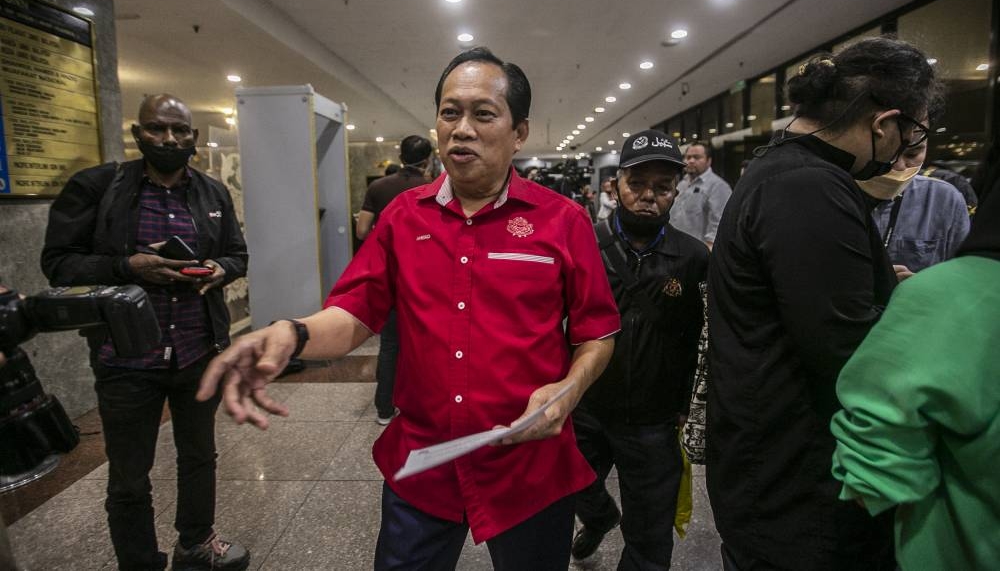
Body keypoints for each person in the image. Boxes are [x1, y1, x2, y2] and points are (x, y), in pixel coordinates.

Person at [196, 47, 620, 570]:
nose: (461, 128)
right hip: (424, 464)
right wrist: (292, 332)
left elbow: (596, 332)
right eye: (450, 111)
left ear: (519, 133)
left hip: (527, 464)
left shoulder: (562, 221)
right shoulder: (402, 217)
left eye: (483, 114)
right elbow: (353, 314)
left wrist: (569, 391)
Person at [706, 38, 943, 570]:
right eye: (911, 136)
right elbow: (847, 346)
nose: (905, 154)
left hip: (770, 469)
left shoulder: (777, 168)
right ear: (884, 124)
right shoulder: (810, 184)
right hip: (798, 482)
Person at [40, 94, 250, 571]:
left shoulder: (211, 193)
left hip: (197, 349)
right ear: (138, 134)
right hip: (126, 356)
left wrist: (219, 268)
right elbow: (58, 264)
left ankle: (196, 544)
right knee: (129, 475)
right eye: (157, 129)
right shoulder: (98, 188)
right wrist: (126, 267)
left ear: (194, 138)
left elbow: (238, 254)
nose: (169, 139)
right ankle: (138, 561)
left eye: (180, 131)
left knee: (199, 456)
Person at [831, 141, 1000, 570]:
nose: (901, 165)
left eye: (916, 153)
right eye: (895, 152)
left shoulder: (944, 209)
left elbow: (873, 478)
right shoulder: (831, 198)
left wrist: (917, 290)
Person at [571, 130, 709, 569]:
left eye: (662, 187)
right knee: (570, 489)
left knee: (649, 538)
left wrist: (689, 402)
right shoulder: (583, 245)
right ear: (617, 185)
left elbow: (699, 336)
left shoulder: (692, 258)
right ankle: (599, 516)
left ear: (676, 191)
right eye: (637, 184)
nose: (649, 196)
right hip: (585, 409)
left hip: (653, 421)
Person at [355, 134, 433, 424]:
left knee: (390, 345)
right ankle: (420, 406)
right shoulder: (432, 188)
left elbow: (363, 231)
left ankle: (384, 409)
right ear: (428, 159)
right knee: (427, 345)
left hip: (390, 275)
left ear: (400, 156)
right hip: (427, 277)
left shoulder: (378, 186)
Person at [860, 138, 969, 281]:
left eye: (912, 155)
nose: (898, 166)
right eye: (886, 154)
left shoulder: (944, 199)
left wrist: (921, 287)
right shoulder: (828, 190)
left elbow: (964, 279)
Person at [669, 141, 732, 249]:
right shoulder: (681, 184)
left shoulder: (718, 186)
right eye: (688, 157)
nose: (691, 161)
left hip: (698, 251)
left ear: (709, 161)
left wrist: (709, 250)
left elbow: (719, 223)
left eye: (697, 157)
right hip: (674, 246)